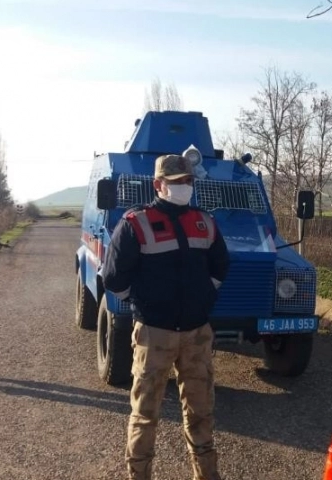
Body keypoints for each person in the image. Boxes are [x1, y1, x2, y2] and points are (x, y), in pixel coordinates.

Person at [102, 154, 230, 480]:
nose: (184, 187)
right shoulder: (135, 223)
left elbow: (220, 266)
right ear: (159, 185)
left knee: (201, 411)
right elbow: (114, 279)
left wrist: (202, 299)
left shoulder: (204, 220)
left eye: (188, 181)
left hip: (196, 334)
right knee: (145, 414)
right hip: (154, 335)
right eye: (176, 183)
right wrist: (145, 304)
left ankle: (208, 475)